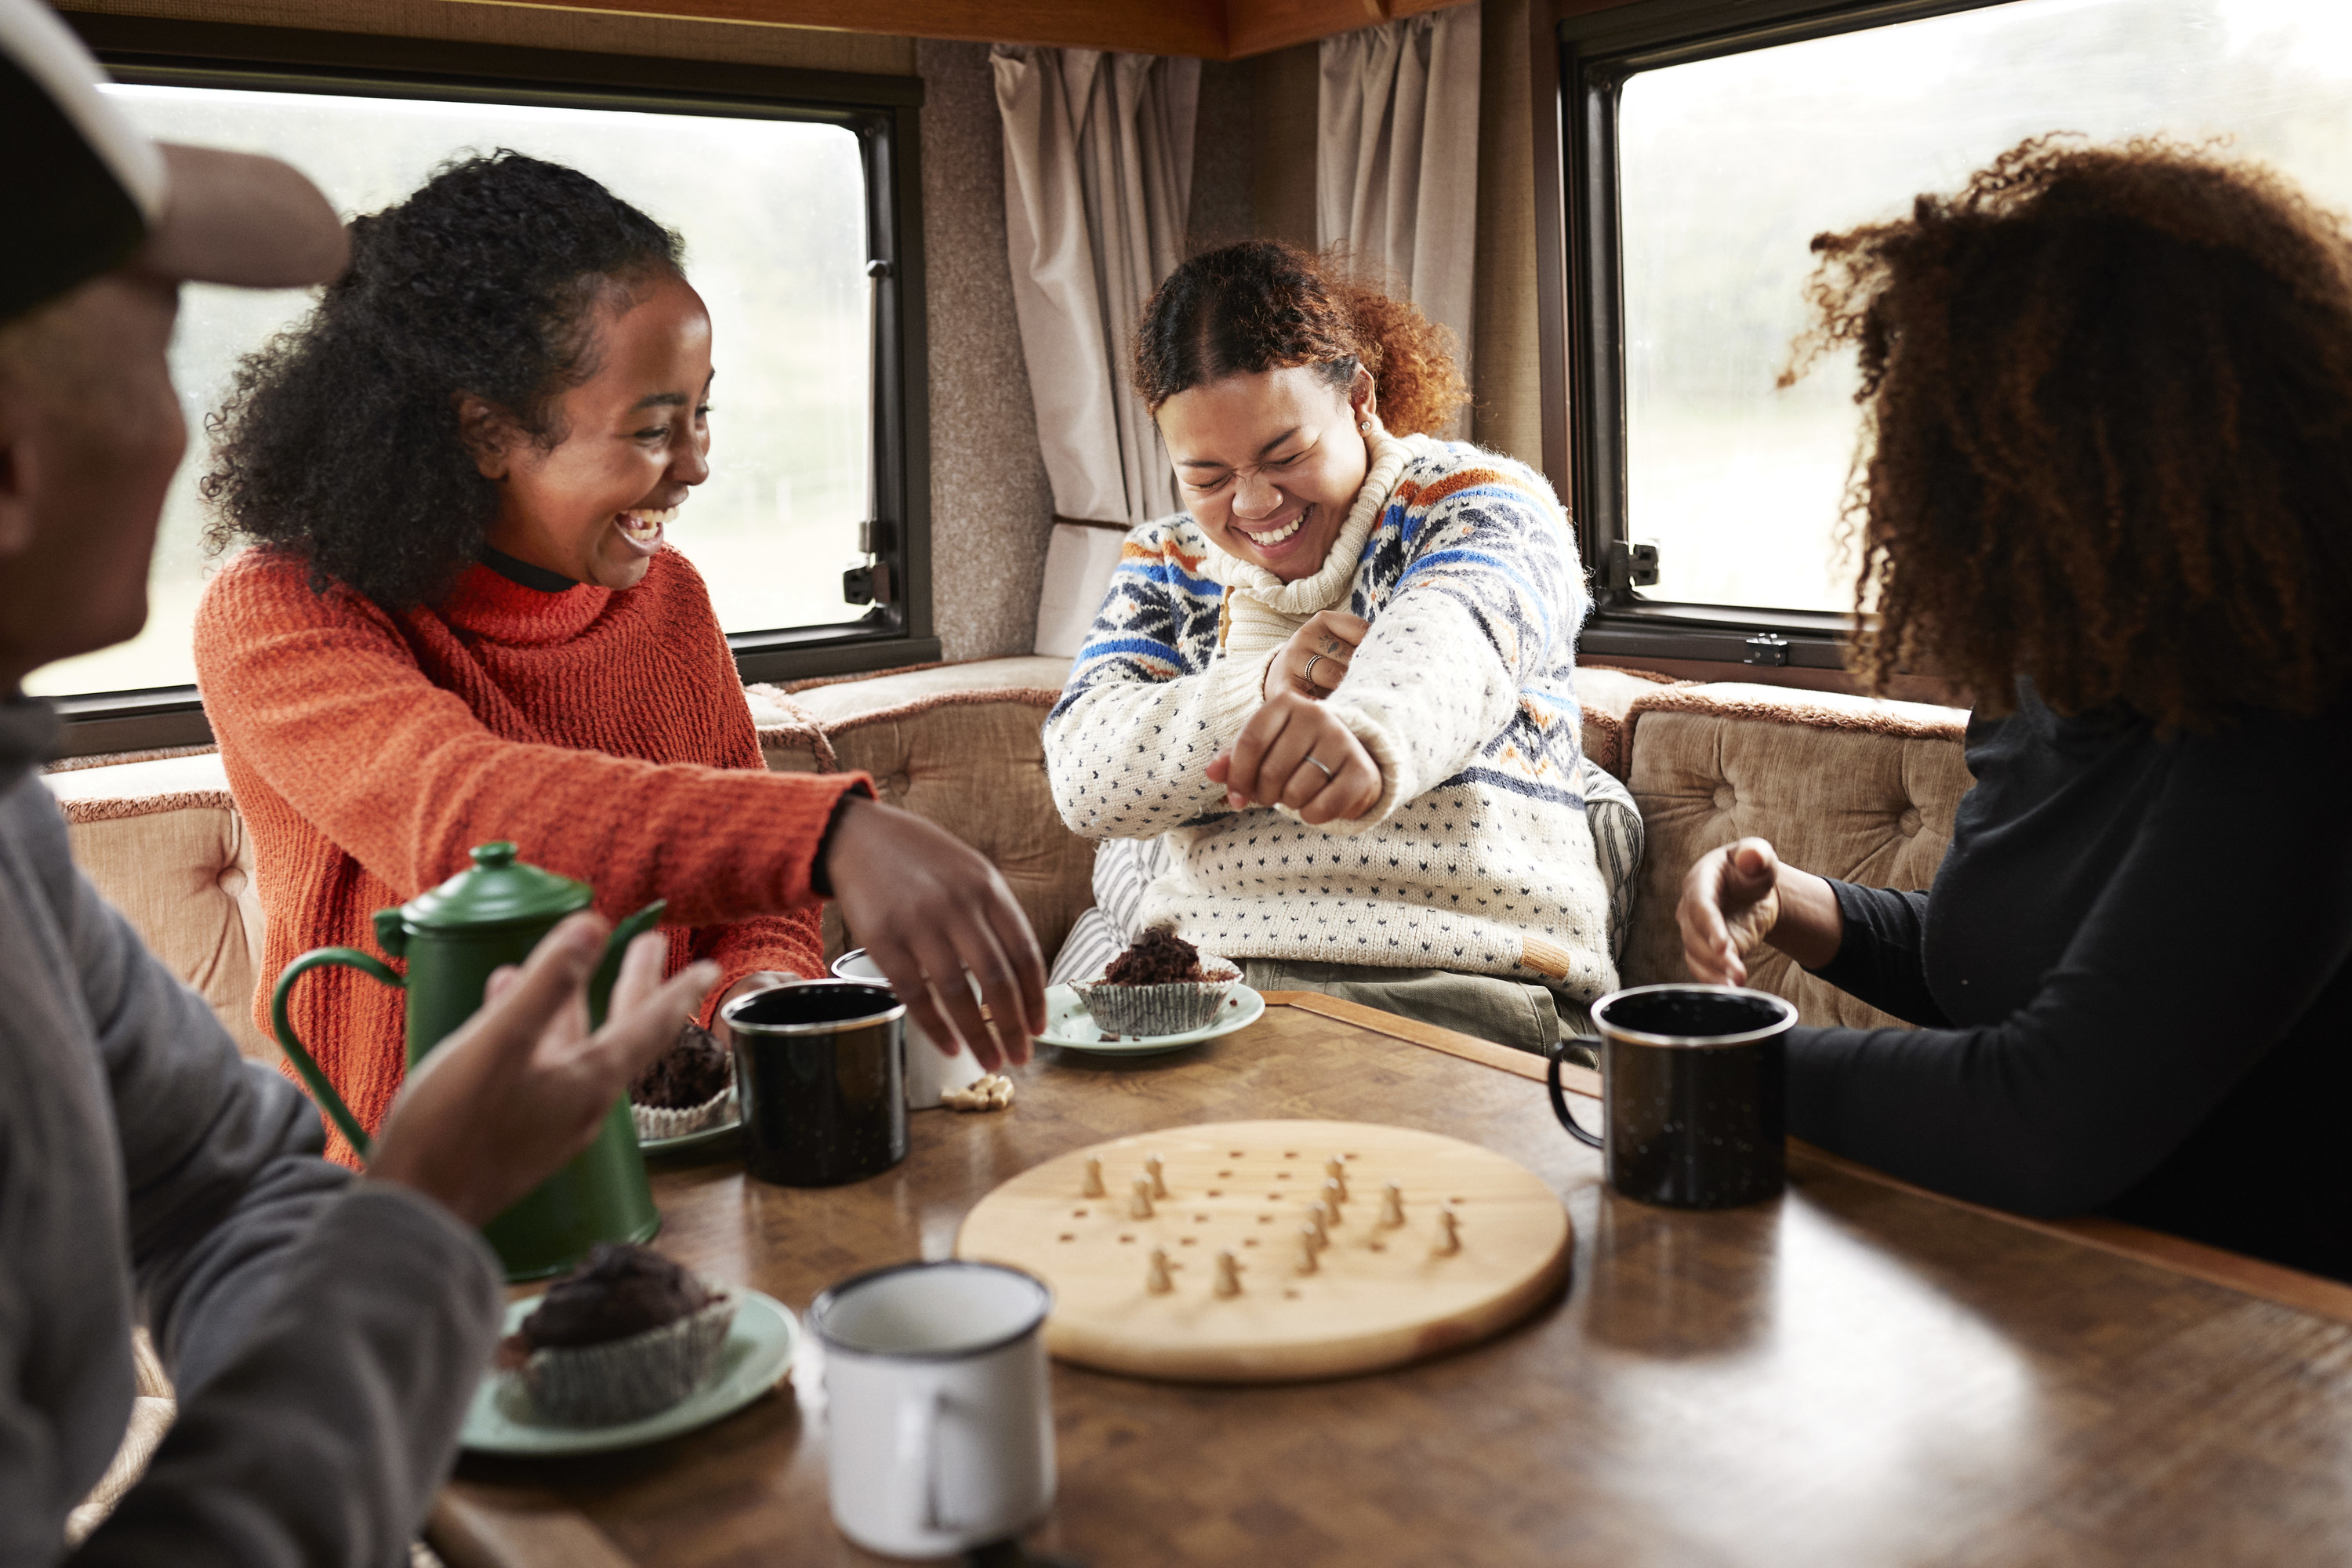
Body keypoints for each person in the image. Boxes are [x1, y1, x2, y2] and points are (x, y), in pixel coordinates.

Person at [0, 2, 719, 1555]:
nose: (197, 424)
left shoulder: (8, 831)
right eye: (155, 337)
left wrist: (389, 1263)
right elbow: (462, 809)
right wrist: (414, 1233)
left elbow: (213, 1185)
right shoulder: (283, 611)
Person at [193, 152, 1044, 1160]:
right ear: (488, 430)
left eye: (702, 412)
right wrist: (832, 831)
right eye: (651, 429)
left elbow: (757, 906)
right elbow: (465, 818)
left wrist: (756, 995)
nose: (695, 464)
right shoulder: (286, 608)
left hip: (678, 1157)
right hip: (418, 1198)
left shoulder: (671, 600)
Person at [1676, 137, 2352, 1280]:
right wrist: (1792, 903)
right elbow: (2006, 963)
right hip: (2058, 1277)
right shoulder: (2048, 673)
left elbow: (2045, 1114)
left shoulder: (2305, 714)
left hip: (2270, 1338)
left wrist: (1701, 1054)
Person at [1043, 241, 1639, 1054]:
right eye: (1207, 476)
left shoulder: (1476, 503)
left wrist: (1363, 733)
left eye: (1285, 455)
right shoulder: (1165, 562)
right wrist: (1261, 690)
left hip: (1463, 988)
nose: (1254, 502)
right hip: (1206, 992)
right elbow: (1086, 775)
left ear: (1358, 398)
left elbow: (1458, 631)